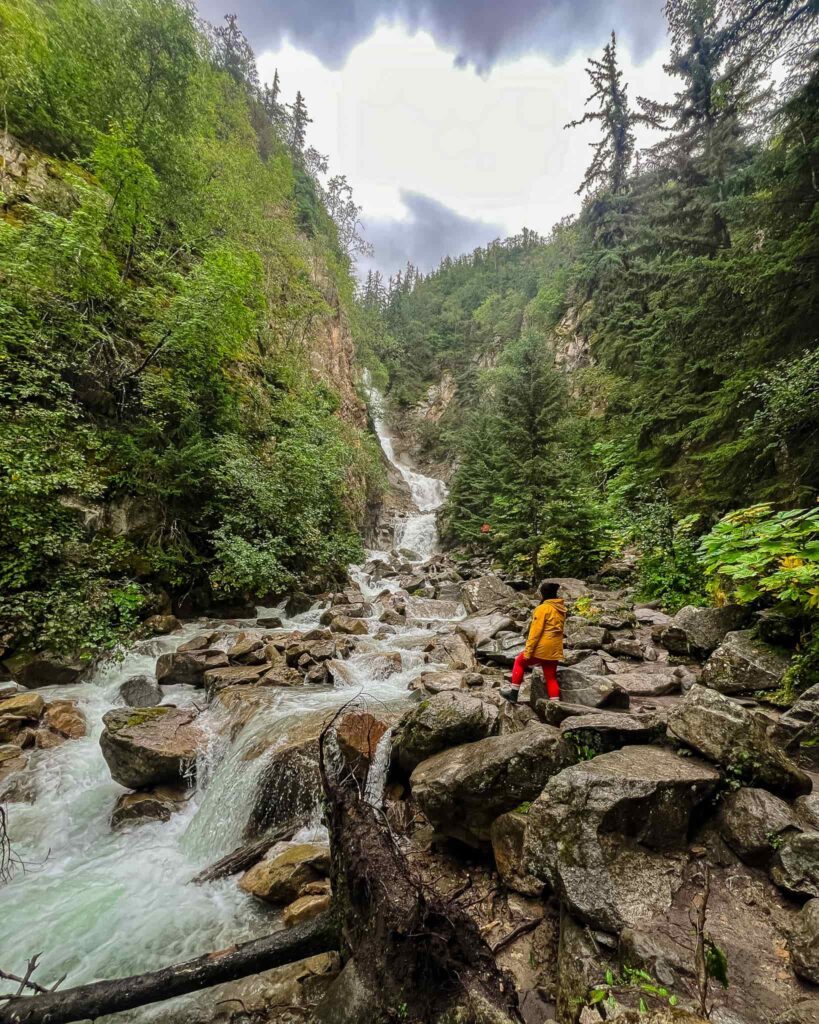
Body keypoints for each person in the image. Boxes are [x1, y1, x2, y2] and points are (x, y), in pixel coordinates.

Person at [500, 581, 566, 704]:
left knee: (519, 661)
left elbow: (535, 633)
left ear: (543, 593)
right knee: (551, 677)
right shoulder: (560, 608)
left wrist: (528, 651)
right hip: (555, 648)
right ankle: (555, 705)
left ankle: (513, 694)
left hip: (542, 647)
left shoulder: (542, 608)